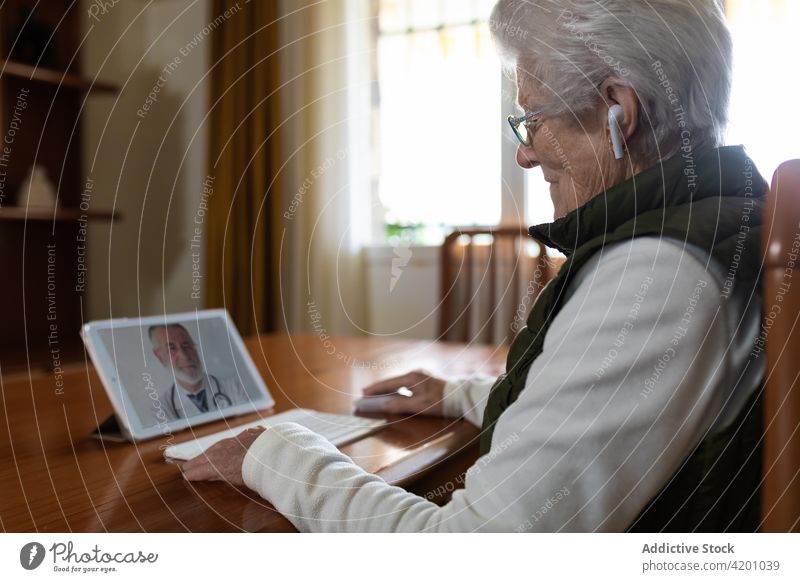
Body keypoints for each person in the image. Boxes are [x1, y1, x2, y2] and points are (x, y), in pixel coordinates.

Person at [182, 0, 767, 532]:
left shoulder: (654, 275)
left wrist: (282, 455)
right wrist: (468, 395)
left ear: (618, 109)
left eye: (534, 117)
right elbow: (629, 414)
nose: (525, 151)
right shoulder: (710, 227)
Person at [149, 324, 249, 422]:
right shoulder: (161, 410)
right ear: (159, 356)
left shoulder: (234, 387)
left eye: (186, 345)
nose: (185, 356)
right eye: (172, 348)